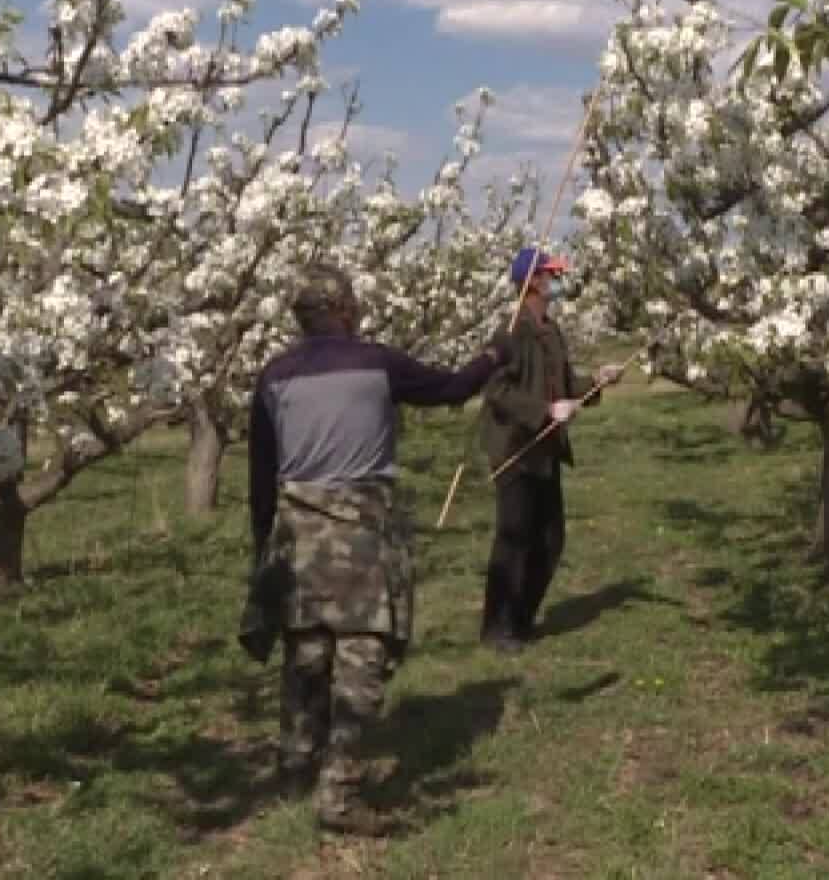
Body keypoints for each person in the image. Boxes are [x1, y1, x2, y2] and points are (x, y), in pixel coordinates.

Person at [237, 263, 511, 836]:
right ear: (344, 311)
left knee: (306, 656)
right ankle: (339, 792)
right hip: (362, 534)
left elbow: (261, 476)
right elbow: (452, 388)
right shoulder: (376, 363)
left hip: (297, 538)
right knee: (362, 658)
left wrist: (265, 546)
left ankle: (294, 768)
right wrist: (492, 354)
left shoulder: (272, 376)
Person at [476, 248, 626, 653]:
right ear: (532, 282)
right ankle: (497, 627)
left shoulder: (551, 330)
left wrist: (597, 381)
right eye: (549, 274)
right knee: (513, 539)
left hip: (545, 452)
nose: (555, 280)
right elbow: (496, 390)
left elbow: (564, 386)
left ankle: (521, 620)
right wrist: (543, 411)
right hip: (515, 448)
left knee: (550, 540)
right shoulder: (510, 332)